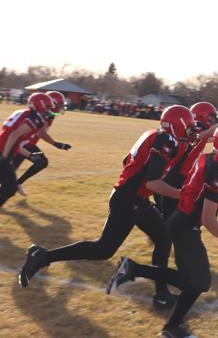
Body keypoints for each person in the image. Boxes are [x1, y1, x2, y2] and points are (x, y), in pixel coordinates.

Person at [18, 105, 196, 309]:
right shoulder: (166, 140)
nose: (190, 131)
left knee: (164, 240)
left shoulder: (155, 134)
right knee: (103, 250)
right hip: (129, 200)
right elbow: (152, 183)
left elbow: (127, 162)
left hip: (136, 199)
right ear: (178, 124)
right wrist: (183, 195)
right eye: (189, 126)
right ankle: (42, 256)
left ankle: (161, 294)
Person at [105, 123, 218, 338]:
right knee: (200, 282)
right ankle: (167, 321)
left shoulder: (213, 159)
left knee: (190, 281)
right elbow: (207, 218)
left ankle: (167, 320)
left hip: (181, 222)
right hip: (185, 227)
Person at [152, 101, 218, 221]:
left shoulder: (195, 130)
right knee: (171, 217)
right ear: (201, 115)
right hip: (176, 176)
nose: (212, 120)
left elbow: (209, 138)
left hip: (176, 175)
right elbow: (201, 135)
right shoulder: (198, 127)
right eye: (210, 117)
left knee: (169, 214)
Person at [12, 91, 72, 196]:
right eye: (58, 105)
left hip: (27, 144)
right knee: (7, 173)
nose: (60, 108)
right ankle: (13, 185)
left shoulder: (48, 115)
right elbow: (40, 133)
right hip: (19, 145)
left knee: (42, 162)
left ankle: (16, 184)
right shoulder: (41, 115)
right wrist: (56, 144)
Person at [0, 93, 54, 208]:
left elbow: (15, 142)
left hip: (3, 148)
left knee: (9, 187)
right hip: (3, 151)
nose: (50, 110)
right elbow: (14, 135)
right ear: (40, 104)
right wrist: (4, 158)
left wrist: (30, 155)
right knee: (10, 188)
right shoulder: (36, 117)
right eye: (48, 107)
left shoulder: (25, 113)